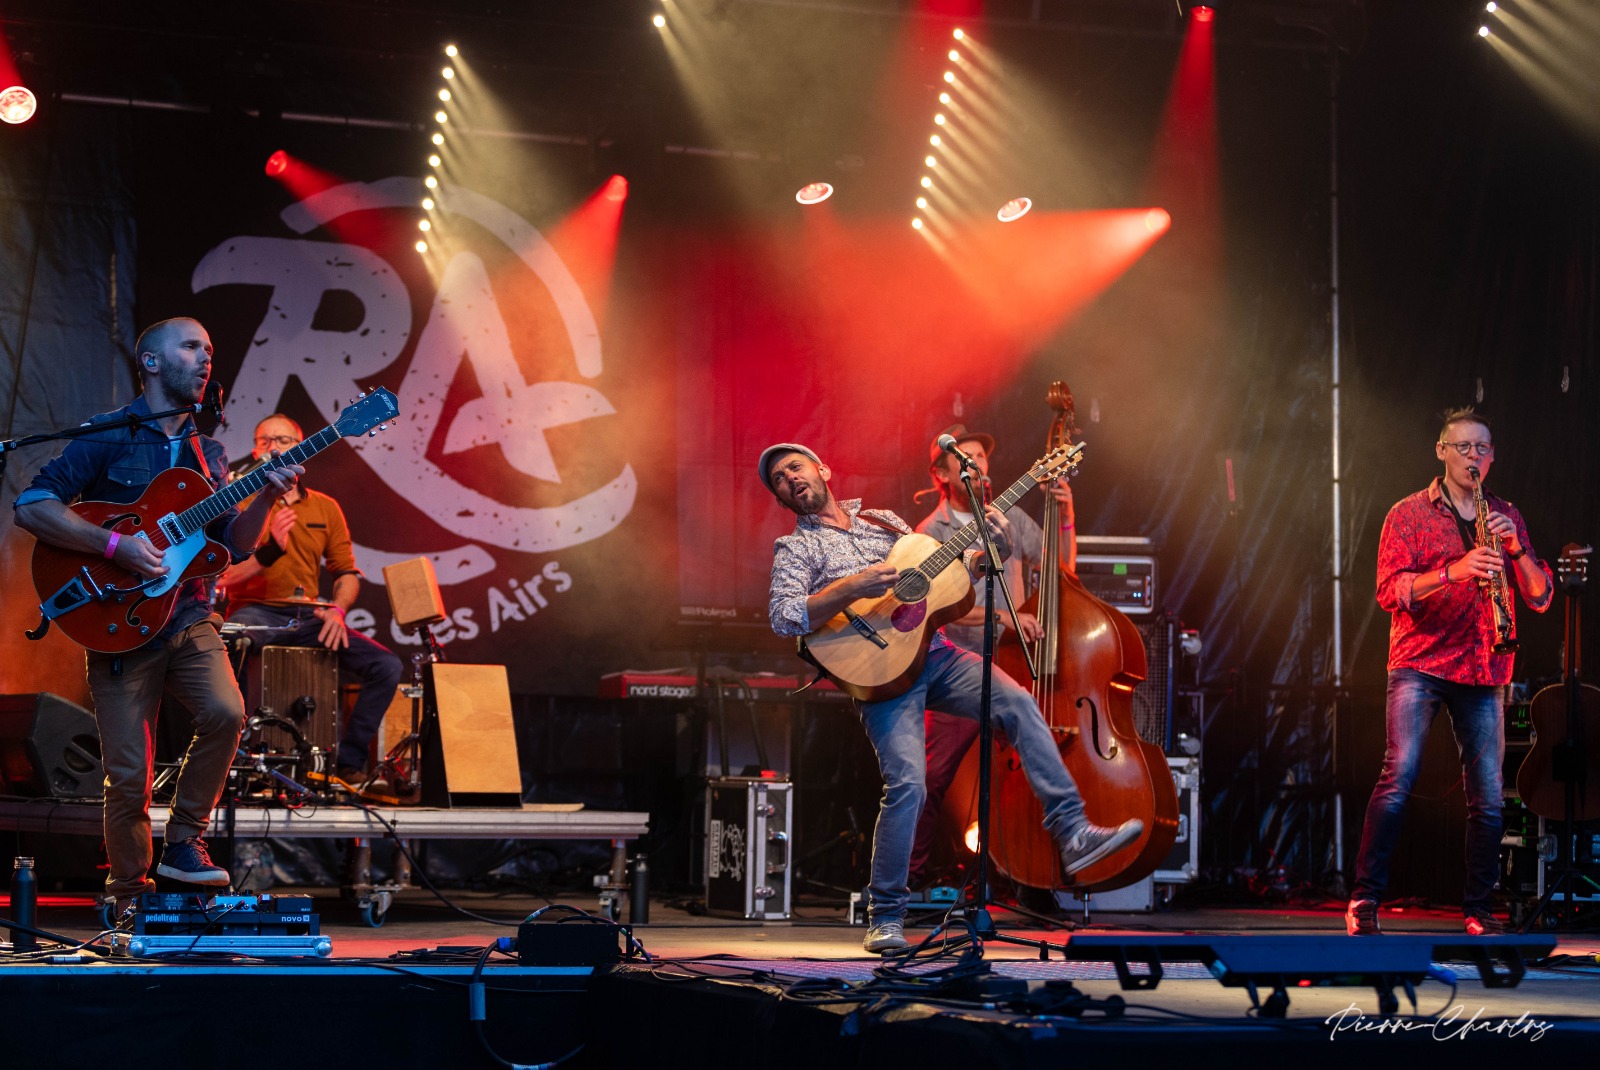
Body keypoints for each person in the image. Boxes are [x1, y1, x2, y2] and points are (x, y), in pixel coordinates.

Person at [760, 442, 1140, 953]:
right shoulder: (796, 548)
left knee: (1018, 703)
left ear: (822, 469)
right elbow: (785, 616)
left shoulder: (883, 521)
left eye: (795, 466)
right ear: (782, 499)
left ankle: (1072, 832)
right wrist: (852, 586)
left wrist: (991, 556)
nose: (789, 477)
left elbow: (947, 574)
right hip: (879, 672)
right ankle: (885, 915)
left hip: (935, 654)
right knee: (908, 784)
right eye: (779, 479)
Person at [13, 317, 302, 920]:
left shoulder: (209, 453)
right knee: (128, 775)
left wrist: (269, 495)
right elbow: (33, 505)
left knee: (226, 712)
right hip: (118, 622)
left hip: (189, 612)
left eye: (210, 349)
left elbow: (233, 545)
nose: (206, 357)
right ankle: (127, 896)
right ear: (151, 361)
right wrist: (113, 546)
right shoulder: (108, 436)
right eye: (192, 347)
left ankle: (185, 842)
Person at [1346, 407, 1552, 937]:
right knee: (1399, 775)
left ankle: (1479, 910)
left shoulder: (1506, 514)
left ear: (1492, 456)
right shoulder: (1407, 514)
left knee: (1488, 796)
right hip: (1420, 662)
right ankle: (1364, 900)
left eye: (1482, 448)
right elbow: (1389, 590)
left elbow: (1540, 596)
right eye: (1463, 447)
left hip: (1485, 666)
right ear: (1441, 451)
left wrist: (1516, 550)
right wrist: (1453, 572)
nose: (1473, 456)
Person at [909, 425, 1076, 889]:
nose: (978, 464)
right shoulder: (930, 533)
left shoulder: (1009, 516)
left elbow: (1060, 568)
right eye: (966, 458)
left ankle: (1038, 880)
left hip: (1011, 663)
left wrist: (1066, 515)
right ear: (942, 474)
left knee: (1032, 769)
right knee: (929, 777)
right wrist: (1004, 616)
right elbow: (932, 605)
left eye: (981, 457)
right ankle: (908, 882)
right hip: (954, 668)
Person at [218, 413, 404, 794]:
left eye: (283, 441)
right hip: (257, 612)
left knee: (386, 666)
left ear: (300, 449)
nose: (274, 447)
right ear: (254, 449)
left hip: (307, 615)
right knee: (232, 643)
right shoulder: (240, 501)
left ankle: (348, 765)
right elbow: (220, 579)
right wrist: (269, 551)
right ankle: (234, 762)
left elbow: (346, 573)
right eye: (266, 441)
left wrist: (337, 610)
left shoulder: (325, 507)